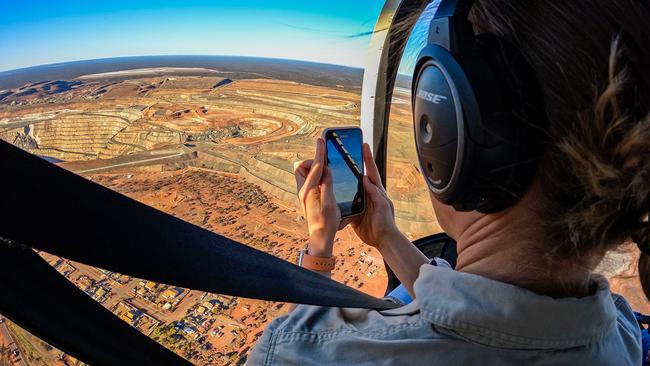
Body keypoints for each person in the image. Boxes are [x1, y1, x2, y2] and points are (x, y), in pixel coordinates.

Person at [248, 0, 650, 364]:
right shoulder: (622, 334)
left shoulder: (313, 355)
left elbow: (296, 344)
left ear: (453, 138)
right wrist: (387, 236)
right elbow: (484, 313)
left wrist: (320, 244)